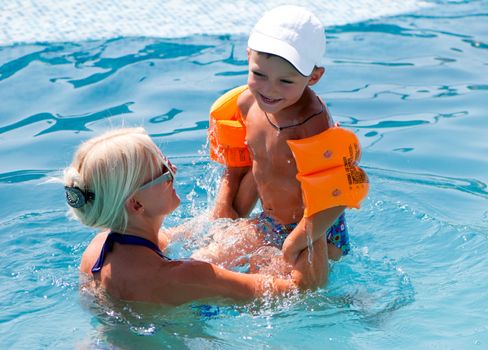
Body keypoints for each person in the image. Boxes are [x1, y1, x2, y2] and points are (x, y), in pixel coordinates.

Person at [208, 6, 369, 288]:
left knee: (299, 297)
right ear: (248, 57)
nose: (269, 90)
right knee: (204, 262)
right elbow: (257, 167)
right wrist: (227, 217)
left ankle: (354, 303)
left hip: (316, 231)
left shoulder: (312, 127)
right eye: (259, 74)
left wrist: (294, 246)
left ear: (314, 77)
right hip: (271, 222)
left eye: (285, 81)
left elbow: (337, 197)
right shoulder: (247, 104)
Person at [63, 127, 298, 306]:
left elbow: (211, 225)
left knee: (242, 236)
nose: (173, 169)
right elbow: (299, 291)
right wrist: (317, 213)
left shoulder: (98, 250)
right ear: (135, 203)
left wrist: (236, 171)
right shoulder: (182, 277)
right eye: (163, 169)